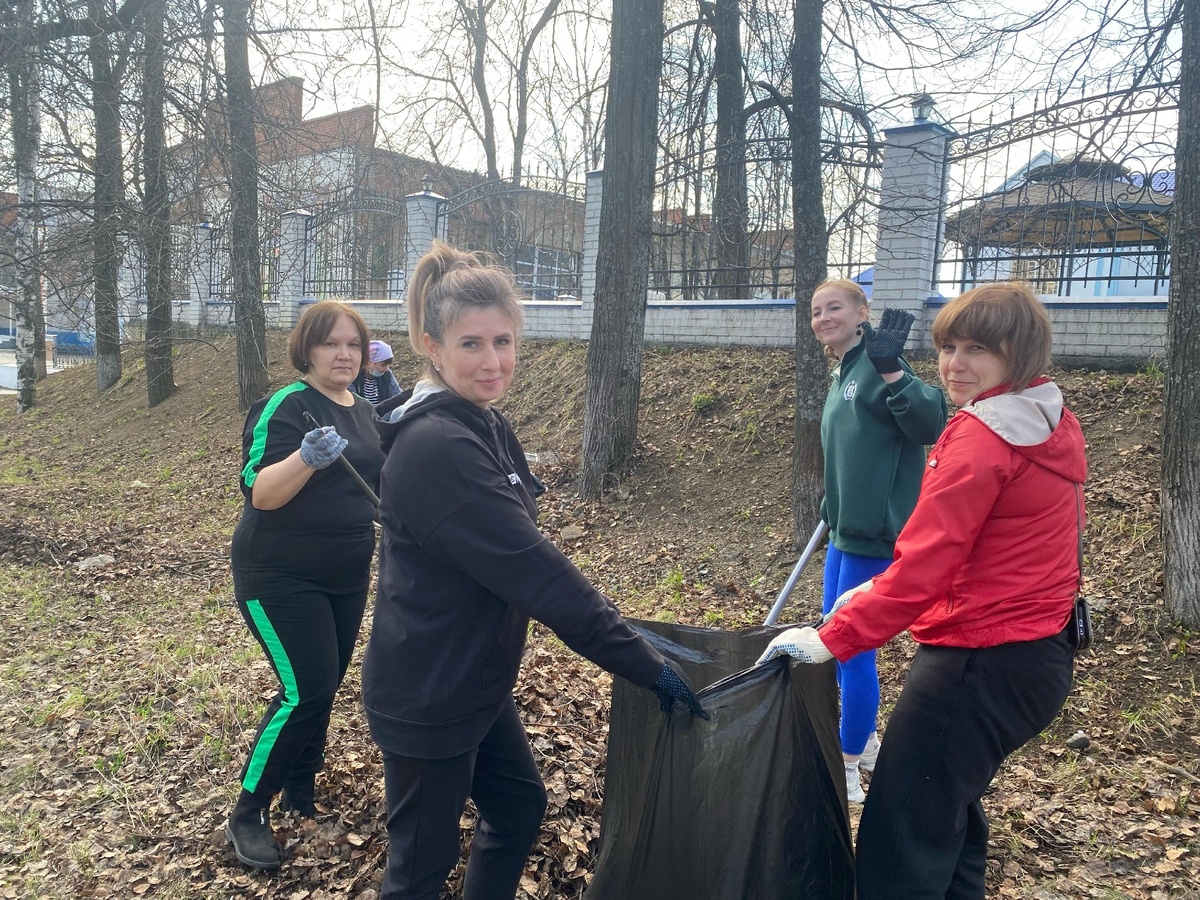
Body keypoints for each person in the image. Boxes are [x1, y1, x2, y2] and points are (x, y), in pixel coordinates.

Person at [362, 241, 708, 900]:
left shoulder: (478, 420)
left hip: (473, 681)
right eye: (471, 344)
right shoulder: (440, 447)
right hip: (430, 693)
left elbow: (519, 540)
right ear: (431, 346)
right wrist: (645, 665)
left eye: (504, 341)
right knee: (418, 869)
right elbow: (541, 575)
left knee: (517, 806)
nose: (494, 362)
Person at [759, 282, 1087, 899]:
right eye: (948, 347)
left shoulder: (985, 437)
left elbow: (925, 567)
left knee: (898, 834)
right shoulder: (1049, 420)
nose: (955, 365)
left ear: (1018, 356)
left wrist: (832, 635)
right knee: (944, 812)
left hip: (983, 659)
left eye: (977, 351)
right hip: (1037, 651)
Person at [226, 300, 385, 871]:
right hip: (279, 576)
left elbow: (380, 485)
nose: (344, 354)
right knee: (306, 690)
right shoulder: (286, 405)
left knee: (325, 683)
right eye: (330, 343)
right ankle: (247, 812)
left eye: (353, 344)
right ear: (308, 350)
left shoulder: (365, 412)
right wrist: (306, 458)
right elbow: (261, 492)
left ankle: (299, 791)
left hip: (345, 573)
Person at [808, 279, 947, 803]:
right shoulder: (842, 368)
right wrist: (831, 505)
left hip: (876, 536)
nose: (824, 317)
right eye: (817, 311)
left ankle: (846, 767)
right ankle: (862, 742)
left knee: (851, 650)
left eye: (835, 306)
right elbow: (850, 449)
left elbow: (930, 422)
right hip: (845, 531)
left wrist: (891, 367)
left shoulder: (880, 363)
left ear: (862, 311)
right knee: (834, 637)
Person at [351, 339, 403, 404]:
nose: (387, 369)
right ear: (370, 363)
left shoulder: (387, 376)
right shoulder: (354, 377)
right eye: (383, 365)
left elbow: (398, 397)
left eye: (388, 365)